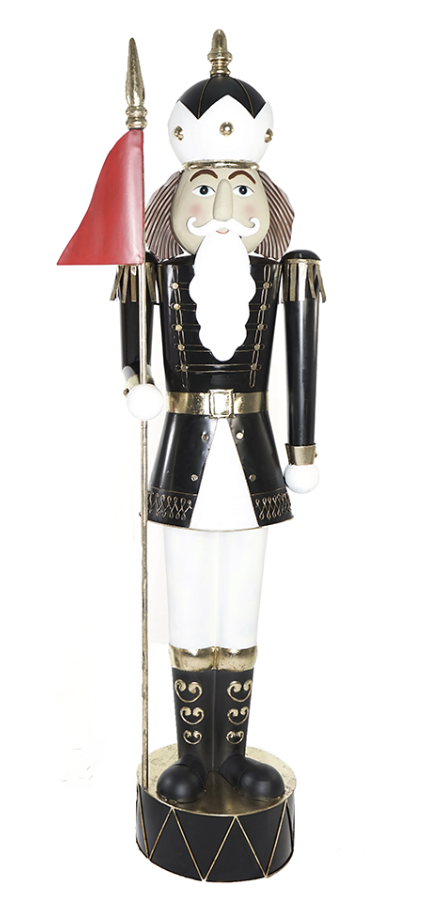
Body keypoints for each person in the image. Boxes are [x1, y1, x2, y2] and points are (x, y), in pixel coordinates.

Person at [117, 30, 326, 806]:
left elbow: (302, 362)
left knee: (239, 608)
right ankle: (188, 757)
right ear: (175, 199)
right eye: (204, 188)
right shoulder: (153, 273)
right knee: (187, 603)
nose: (222, 210)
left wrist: (302, 448)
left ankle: (229, 756)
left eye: (240, 189)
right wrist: (135, 381)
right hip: (181, 452)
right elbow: (133, 353)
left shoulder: (290, 273)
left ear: (265, 199)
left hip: (255, 457)